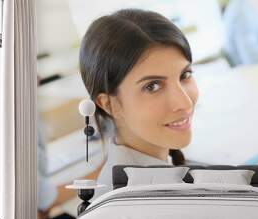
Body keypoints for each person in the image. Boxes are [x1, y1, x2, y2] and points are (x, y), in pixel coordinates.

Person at [79, 8, 199, 198]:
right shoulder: (132, 205)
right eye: (152, 86)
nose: (184, 103)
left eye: (185, 75)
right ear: (109, 104)